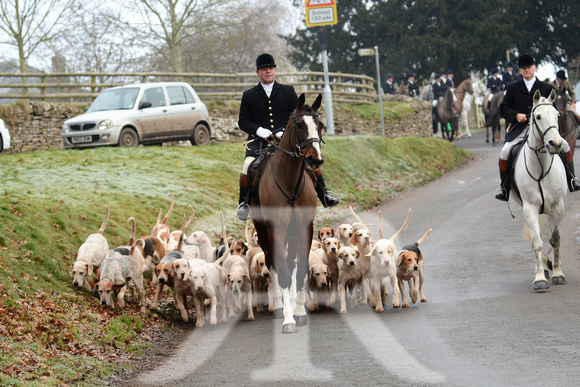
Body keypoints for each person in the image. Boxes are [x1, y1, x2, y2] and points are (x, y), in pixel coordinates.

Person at [236, 53, 340, 221]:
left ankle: (324, 195)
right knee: (247, 165)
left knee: (311, 160)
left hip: (286, 141)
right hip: (259, 142)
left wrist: (283, 131)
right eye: (264, 69)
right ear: (257, 72)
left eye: (270, 68)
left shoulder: (288, 91)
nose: (267, 71)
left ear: (275, 70)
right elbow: (243, 121)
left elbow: (297, 115)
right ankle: (244, 204)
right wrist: (259, 130)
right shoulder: (249, 95)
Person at [495, 54, 580, 201]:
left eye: (529, 67)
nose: (527, 70)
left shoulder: (546, 87)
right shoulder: (513, 88)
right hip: (520, 130)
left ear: (534, 68)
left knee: (565, 145)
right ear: (520, 71)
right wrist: (515, 115)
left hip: (543, 130)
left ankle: (572, 179)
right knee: (505, 152)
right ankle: (505, 187)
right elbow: (503, 108)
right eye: (523, 68)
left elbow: (553, 110)